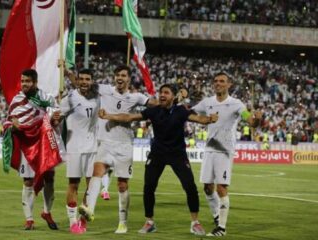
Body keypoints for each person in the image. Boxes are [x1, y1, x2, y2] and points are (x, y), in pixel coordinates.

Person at [98, 83, 218, 235]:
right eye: (161, 92)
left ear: (173, 96)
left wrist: (209, 119)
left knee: (190, 187)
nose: (162, 95)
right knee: (149, 187)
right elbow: (129, 117)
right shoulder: (154, 111)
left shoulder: (180, 111)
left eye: (166, 93)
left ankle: (195, 222)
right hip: (157, 154)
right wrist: (108, 115)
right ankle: (149, 222)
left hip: (177, 154)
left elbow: (198, 118)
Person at [78, 65, 158, 234]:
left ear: (129, 78)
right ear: (114, 77)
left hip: (124, 145)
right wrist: (70, 73)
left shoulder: (136, 96)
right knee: (97, 173)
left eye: (123, 75)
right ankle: (90, 210)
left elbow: (156, 104)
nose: (120, 78)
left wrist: (171, 99)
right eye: (117, 75)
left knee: (122, 185)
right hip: (105, 141)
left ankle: (123, 223)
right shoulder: (105, 89)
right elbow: (83, 86)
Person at [192, 72, 262, 236]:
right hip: (209, 149)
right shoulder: (207, 102)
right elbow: (189, 114)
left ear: (229, 84)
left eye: (222, 81)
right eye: (215, 81)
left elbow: (250, 121)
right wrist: (202, 119)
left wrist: (257, 119)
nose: (218, 83)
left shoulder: (236, 104)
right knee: (208, 188)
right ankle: (217, 216)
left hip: (224, 151)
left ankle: (221, 228)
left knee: (221, 188)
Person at [6, 69, 61, 231]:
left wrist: (56, 119)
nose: (24, 84)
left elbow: (55, 120)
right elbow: (10, 120)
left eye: (27, 81)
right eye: (22, 81)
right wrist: (14, 126)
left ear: (35, 82)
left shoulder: (47, 98)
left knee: (49, 177)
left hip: (43, 144)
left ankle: (47, 212)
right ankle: (29, 219)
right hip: (27, 145)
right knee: (28, 181)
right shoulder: (17, 100)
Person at [60, 68, 99, 234]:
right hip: (74, 148)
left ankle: (83, 220)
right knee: (73, 185)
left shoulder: (98, 98)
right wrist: (55, 118)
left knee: (91, 187)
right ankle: (72, 222)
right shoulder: (69, 98)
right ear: (78, 80)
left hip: (93, 149)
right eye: (81, 79)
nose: (84, 82)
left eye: (87, 79)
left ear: (91, 81)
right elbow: (55, 117)